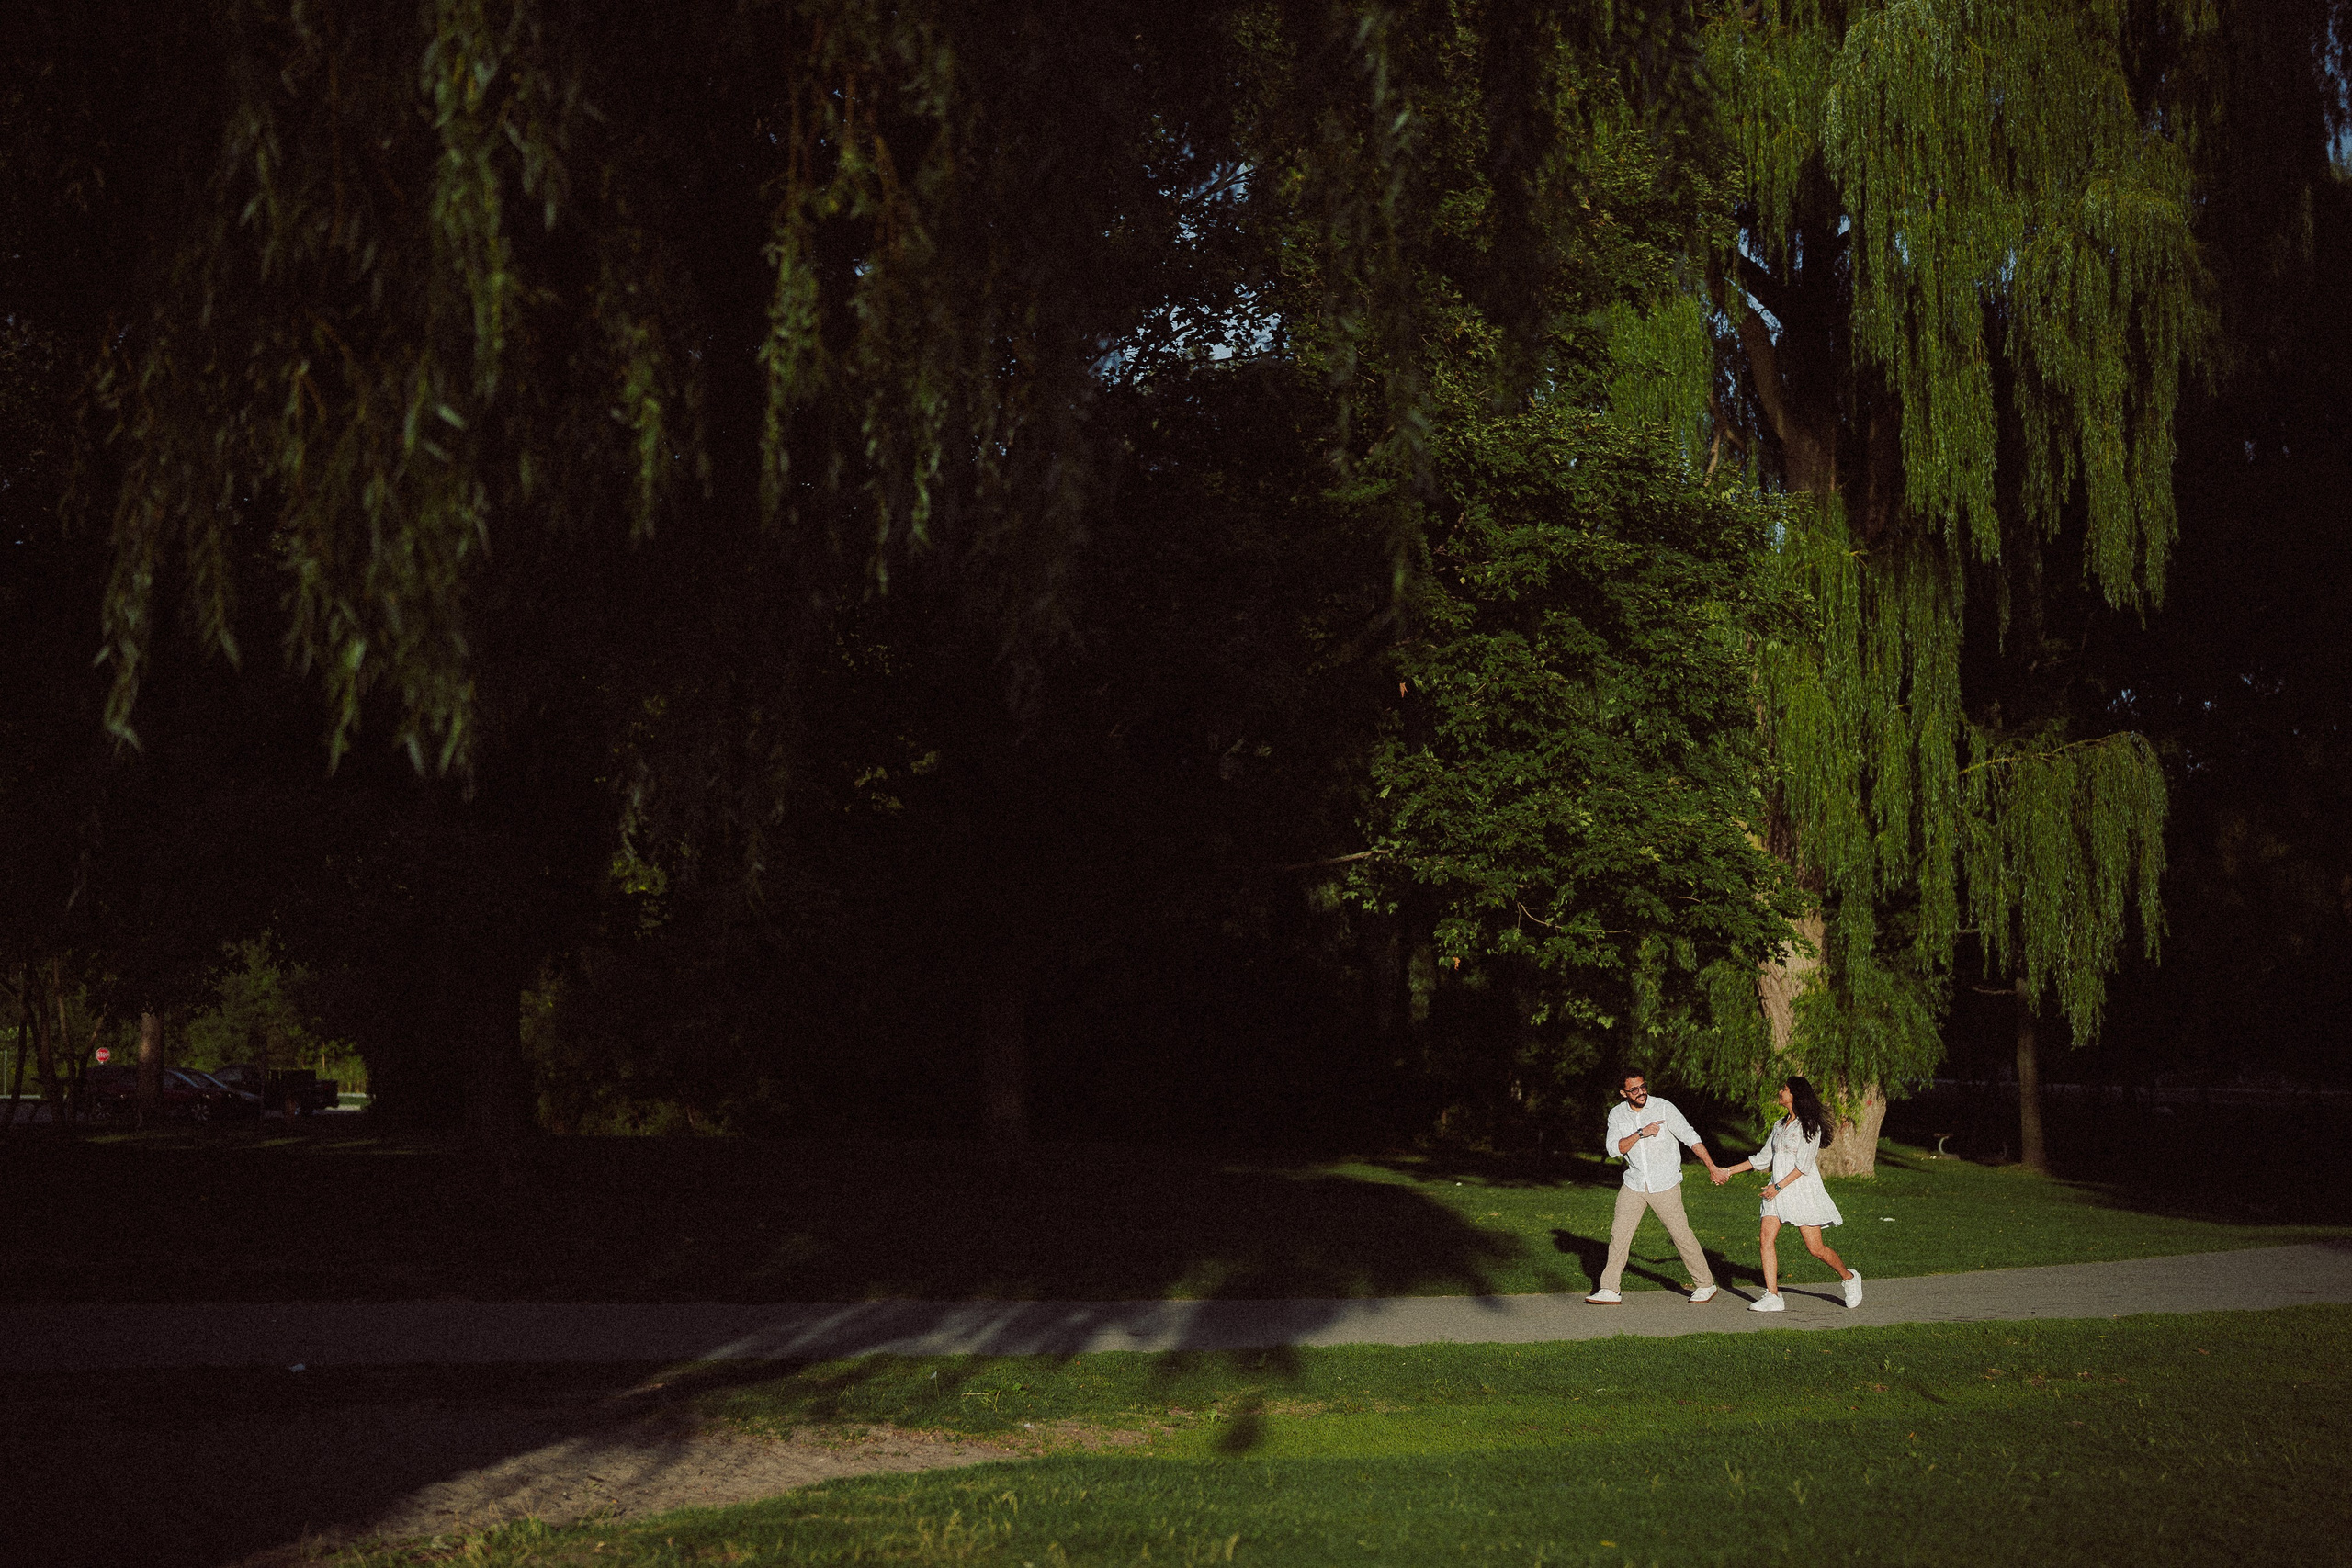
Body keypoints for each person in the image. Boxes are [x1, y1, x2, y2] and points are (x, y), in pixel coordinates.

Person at [1713, 1075, 1862, 1312]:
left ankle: (1849, 1278)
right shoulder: (1779, 1125)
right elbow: (1763, 1159)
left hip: (1801, 1190)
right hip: (1776, 1190)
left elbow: (1803, 1165)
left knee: (1815, 1249)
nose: (1780, 1092)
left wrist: (1778, 1186)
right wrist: (1727, 1171)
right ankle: (1773, 1296)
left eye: (1784, 1089)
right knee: (1765, 1238)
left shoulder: (1811, 1125)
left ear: (1795, 1095)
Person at [1585, 1071, 1724, 1304]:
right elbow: (1613, 1149)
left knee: (1681, 1235)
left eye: (1643, 1087)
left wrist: (1711, 1166)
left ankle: (1705, 1284)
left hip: (1665, 1183)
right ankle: (1610, 1289)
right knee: (1619, 1235)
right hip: (1634, 1183)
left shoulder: (1663, 1107)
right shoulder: (1617, 1114)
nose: (1641, 1093)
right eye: (1634, 1090)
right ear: (1623, 1093)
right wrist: (1641, 1133)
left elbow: (1690, 1136)